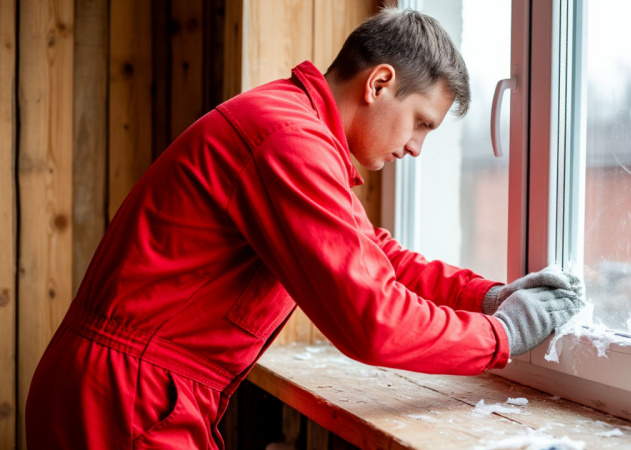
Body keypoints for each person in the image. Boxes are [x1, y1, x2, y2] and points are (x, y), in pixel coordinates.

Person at [25, 7, 583, 449]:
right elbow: (372, 323)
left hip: (124, 390)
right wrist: (503, 336)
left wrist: (485, 296)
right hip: (128, 401)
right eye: (421, 123)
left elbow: (374, 255)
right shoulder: (288, 140)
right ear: (379, 83)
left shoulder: (295, 127)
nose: (415, 147)